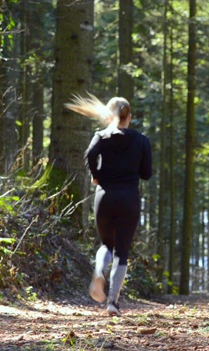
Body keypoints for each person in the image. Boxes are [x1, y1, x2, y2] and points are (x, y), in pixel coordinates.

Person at [65, 94, 152, 316]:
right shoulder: (142, 140)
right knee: (121, 252)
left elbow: (89, 155)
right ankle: (112, 302)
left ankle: (98, 270)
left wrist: (96, 176)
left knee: (106, 244)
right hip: (129, 198)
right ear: (129, 117)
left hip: (104, 196)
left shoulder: (101, 136)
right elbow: (147, 174)